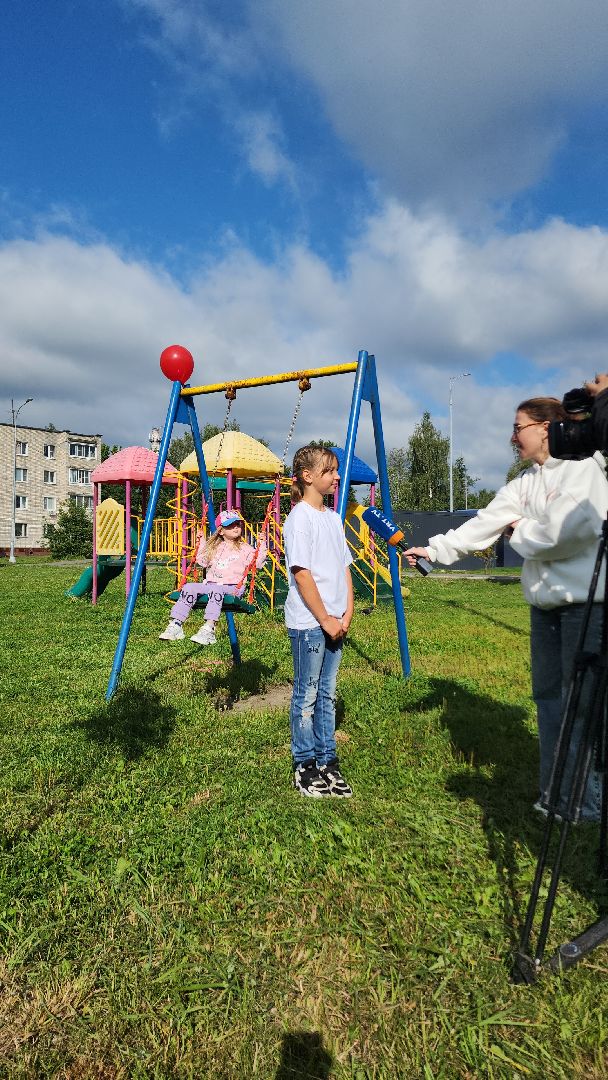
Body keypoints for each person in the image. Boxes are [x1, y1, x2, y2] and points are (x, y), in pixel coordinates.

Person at [404, 396, 608, 822]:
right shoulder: (524, 482)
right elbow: (485, 523)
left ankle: (586, 803)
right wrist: (433, 550)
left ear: (546, 428)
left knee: (582, 705)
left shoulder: (584, 468)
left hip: (586, 607)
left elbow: (570, 533)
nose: (512, 437)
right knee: (549, 699)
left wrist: (521, 531)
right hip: (545, 608)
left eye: (519, 427)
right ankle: (555, 796)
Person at [283, 445, 354, 798]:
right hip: (310, 623)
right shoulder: (300, 518)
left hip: (335, 621)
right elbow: (302, 574)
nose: (337, 477)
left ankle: (328, 761)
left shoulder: (333, 518)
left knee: (327, 693)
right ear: (308, 476)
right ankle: (305, 765)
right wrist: (325, 618)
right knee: (307, 695)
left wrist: (347, 612)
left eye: (336, 470)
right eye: (329, 471)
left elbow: (345, 567)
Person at [160, 509, 267, 645]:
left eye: (237, 524)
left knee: (216, 590)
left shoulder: (245, 548)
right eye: (230, 525)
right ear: (221, 531)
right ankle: (176, 624)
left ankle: (209, 629)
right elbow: (203, 561)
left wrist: (262, 545)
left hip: (232, 588)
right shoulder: (215, 547)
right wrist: (201, 542)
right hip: (211, 585)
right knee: (189, 587)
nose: (235, 527)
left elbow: (257, 564)